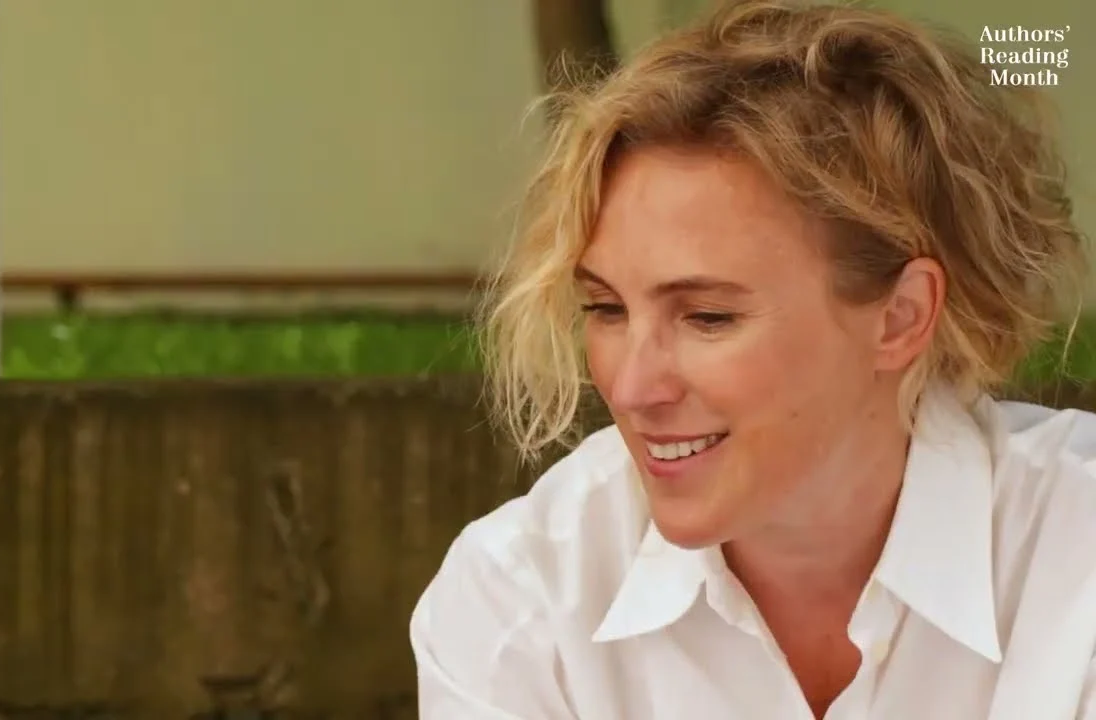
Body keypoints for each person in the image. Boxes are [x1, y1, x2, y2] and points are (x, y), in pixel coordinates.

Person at [409, 0, 1096, 718]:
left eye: (707, 317)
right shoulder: (521, 602)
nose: (631, 387)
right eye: (605, 309)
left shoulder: (1075, 556)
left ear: (901, 317)